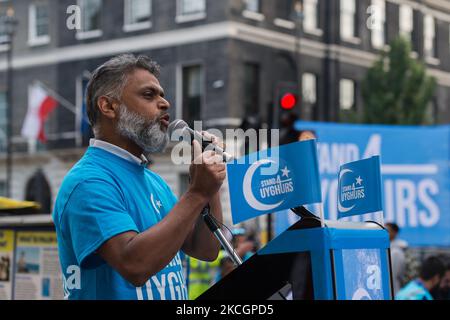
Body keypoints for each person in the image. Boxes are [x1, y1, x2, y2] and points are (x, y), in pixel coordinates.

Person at [52, 54, 226, 300]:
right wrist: (197, 193)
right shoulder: (88, 182)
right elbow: (134, 265)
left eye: (162, 94)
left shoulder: (153, 181)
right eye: (149, 95)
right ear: (109, 106)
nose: (164, 103)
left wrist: (210, 186)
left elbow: (205, 249)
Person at [386, 222, 408, 295]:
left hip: (393, 291)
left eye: (387, 231)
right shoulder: (387, 248)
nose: (385, 233)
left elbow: (392, 276)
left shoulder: (396, 252)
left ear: (394, 233)